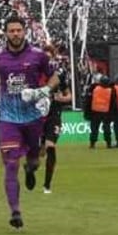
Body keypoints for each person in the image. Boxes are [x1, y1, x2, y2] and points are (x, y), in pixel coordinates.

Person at [0, 15, 57, 230]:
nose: (15, 34)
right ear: (5, 33)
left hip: (33, 117)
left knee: (34, 160)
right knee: (10, 163)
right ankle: (15, 211)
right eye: (11, 31)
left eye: (19, 30)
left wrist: (44, 90)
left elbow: (55, 77)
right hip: (7, 117)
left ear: (25, 31)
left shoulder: (38, 55)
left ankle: (31, 168)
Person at [41, 62, 72, 194]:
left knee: (51, 147)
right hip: (38, 117)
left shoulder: (60, 78)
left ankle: (47, 185)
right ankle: (30, 169)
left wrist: (61, 99)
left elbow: (69, 96)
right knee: (38, 155)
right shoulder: (35, 76)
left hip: (54, 117)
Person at [88, 76, 114, 148]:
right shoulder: (110, 90)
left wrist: (88, 111)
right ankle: (108, 143)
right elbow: (112, 103)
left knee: (94, 129)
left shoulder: (95, 89)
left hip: (95, 111)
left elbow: (89, 100)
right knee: (107, 128)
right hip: (106, 112)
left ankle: (92, 143)